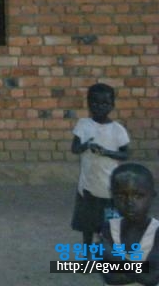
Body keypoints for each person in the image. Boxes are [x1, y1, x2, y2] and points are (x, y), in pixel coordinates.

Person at [71, 83, 130, 245]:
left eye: (105, 104)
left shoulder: (117, 130)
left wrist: (107, 152)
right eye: (95, 103)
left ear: (112, 105)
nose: (99, 107)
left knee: (110, 224)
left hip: (109, 187)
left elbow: (125, 154)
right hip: (88, 185)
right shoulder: (83, 125)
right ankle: (86, 255)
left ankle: (107, 255)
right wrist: (86, 146)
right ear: (88, 104)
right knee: (87, 225)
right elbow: (74, 149)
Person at [101, 163, 159, 286]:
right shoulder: (109, 228)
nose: (129, 203)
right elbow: (111, 278)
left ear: (152, 196)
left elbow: (151, 278)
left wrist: (115, 259)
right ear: (112, 196)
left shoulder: (156, 231)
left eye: (138, 196)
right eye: (121, 196)